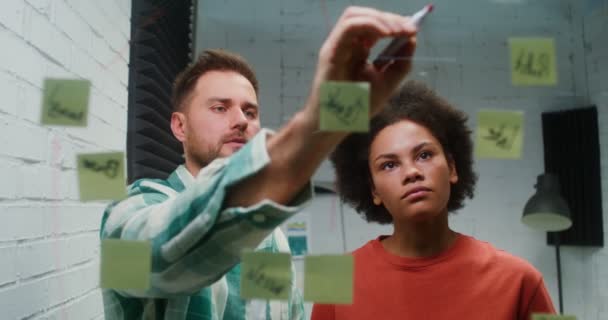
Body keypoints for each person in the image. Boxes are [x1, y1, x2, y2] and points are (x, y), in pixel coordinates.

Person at [100, 6, 419, 320]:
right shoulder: (132, 210)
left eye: (250, 112)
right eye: (220, 108)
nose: (241, 120)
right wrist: (319, 122)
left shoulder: (272, 240)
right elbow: (159, 259)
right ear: (180, 126)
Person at [311, 81, 556, 320]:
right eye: (389, 164)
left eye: (424, 155)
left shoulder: (519, 282)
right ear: (373, 189)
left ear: (451, 167)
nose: (411, 172)